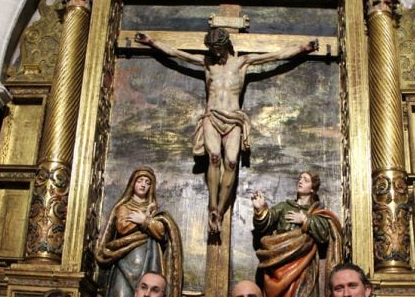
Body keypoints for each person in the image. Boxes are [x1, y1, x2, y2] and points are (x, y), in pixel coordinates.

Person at [135, 28, 318, 233]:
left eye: (219, 49)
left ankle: (220, 209)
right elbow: (177, 54)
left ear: (226, 45)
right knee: (214, 157)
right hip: (212, 116)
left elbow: (276, 56)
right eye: (213, 50)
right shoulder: (208, 64)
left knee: (231, 162)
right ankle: (212, 205)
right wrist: (151, 42)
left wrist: (303, 48)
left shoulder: (242, 62)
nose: (216, 54)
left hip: (233, 119)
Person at [251, 171, 343, 297]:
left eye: (306, 179)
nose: (300, 181)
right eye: (299, 178)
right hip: (280, 272)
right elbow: (267, 223)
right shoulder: (285, 207)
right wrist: (260, 210)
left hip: (305, 273)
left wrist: (305, 220)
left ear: (313, 187)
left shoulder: (317, 213)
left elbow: (325, 234)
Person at [94, 166, 182, 297]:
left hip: (149, 260)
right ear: (133, 183)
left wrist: (145, 221)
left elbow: (161, 231)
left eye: (147, 183)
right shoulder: (124, 207)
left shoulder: (154, 210)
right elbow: (122, 227)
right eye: (140, 181)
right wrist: (144, 222)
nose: (143, 185)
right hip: (125, 260)